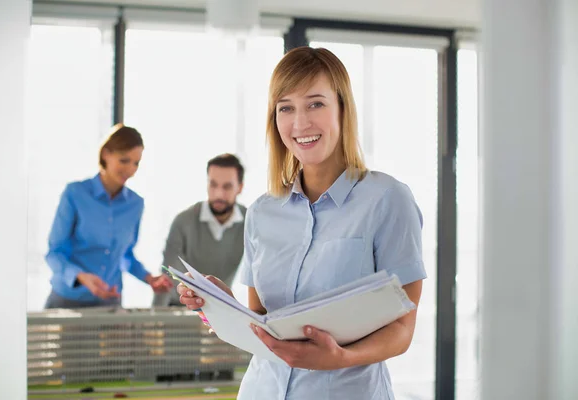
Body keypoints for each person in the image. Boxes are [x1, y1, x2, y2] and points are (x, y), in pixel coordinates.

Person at [178, 47, 426, 399]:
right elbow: (262, 321)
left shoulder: (388, 200)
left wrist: (341, 357)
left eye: (315, 104)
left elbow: (402, 327)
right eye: (286, 108)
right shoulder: (262, 212)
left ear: (342, 107)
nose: (300, 123)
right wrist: (220, 302)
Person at [44, 124, 173, 309]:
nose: (130, 169)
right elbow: (54, 253)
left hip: (110, 302)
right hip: (67, 301)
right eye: (124, 160)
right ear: (106, 154)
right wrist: (80, 277)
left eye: (136, 163)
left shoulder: (135, 204)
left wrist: (149, 278)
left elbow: (125, 255)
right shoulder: (75, 194)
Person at [152, 153, 247, 307]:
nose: (218, 194)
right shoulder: (183, 221)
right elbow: (167, 277)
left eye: (227, 187)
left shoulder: (250, 223)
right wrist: (155, 321)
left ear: (240, 187)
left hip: (220, 309)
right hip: (180, 308)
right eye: (213, 185)